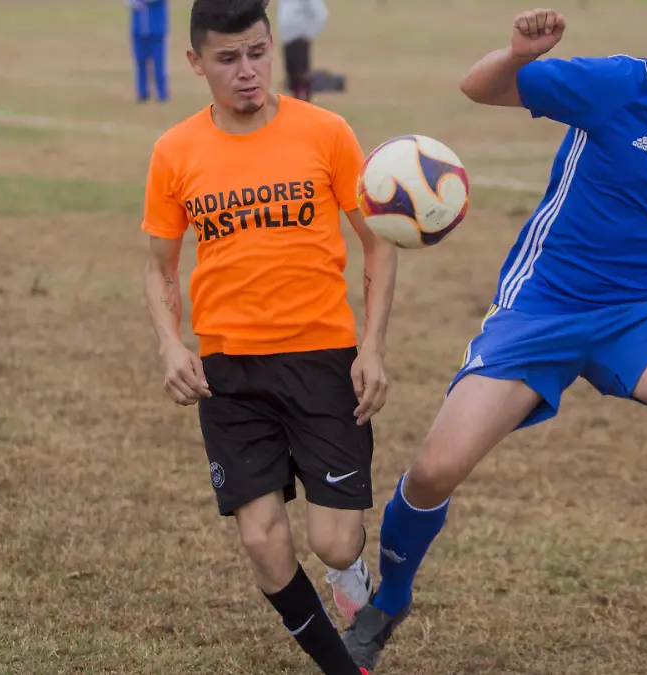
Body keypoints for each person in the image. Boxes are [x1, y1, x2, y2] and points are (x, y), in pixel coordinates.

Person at [342, 2, 647, 669]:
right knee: (437, 467)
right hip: (545, 308)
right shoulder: (615, 86)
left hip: (644, 311)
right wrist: (520, 55)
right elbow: (480, 87)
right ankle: (389, 602)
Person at [139, 1, 398, 672]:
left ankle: (351, 573)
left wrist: (371, 346)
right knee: (261, 539)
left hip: (322, 358)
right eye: (228, 59)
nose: (248, 72)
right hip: (229, 369)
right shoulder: (175, 151)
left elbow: (379, 245)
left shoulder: (327, 132)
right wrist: (172, 343)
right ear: (196, 62)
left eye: (258, 52)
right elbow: (158, 265)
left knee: (335, 542)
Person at [274, 0, 330, 101]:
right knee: (292, 78)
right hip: (287, 40)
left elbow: (321, 14)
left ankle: (305, 105)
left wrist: (309, 35)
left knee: (302, 77)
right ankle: (297, 105)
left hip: (299, 40)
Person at [127, 0, 170, 103]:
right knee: (140, 62)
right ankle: (142, 93)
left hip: (156, 30)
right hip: (139, 30)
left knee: (158, 63)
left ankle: (162, 93)